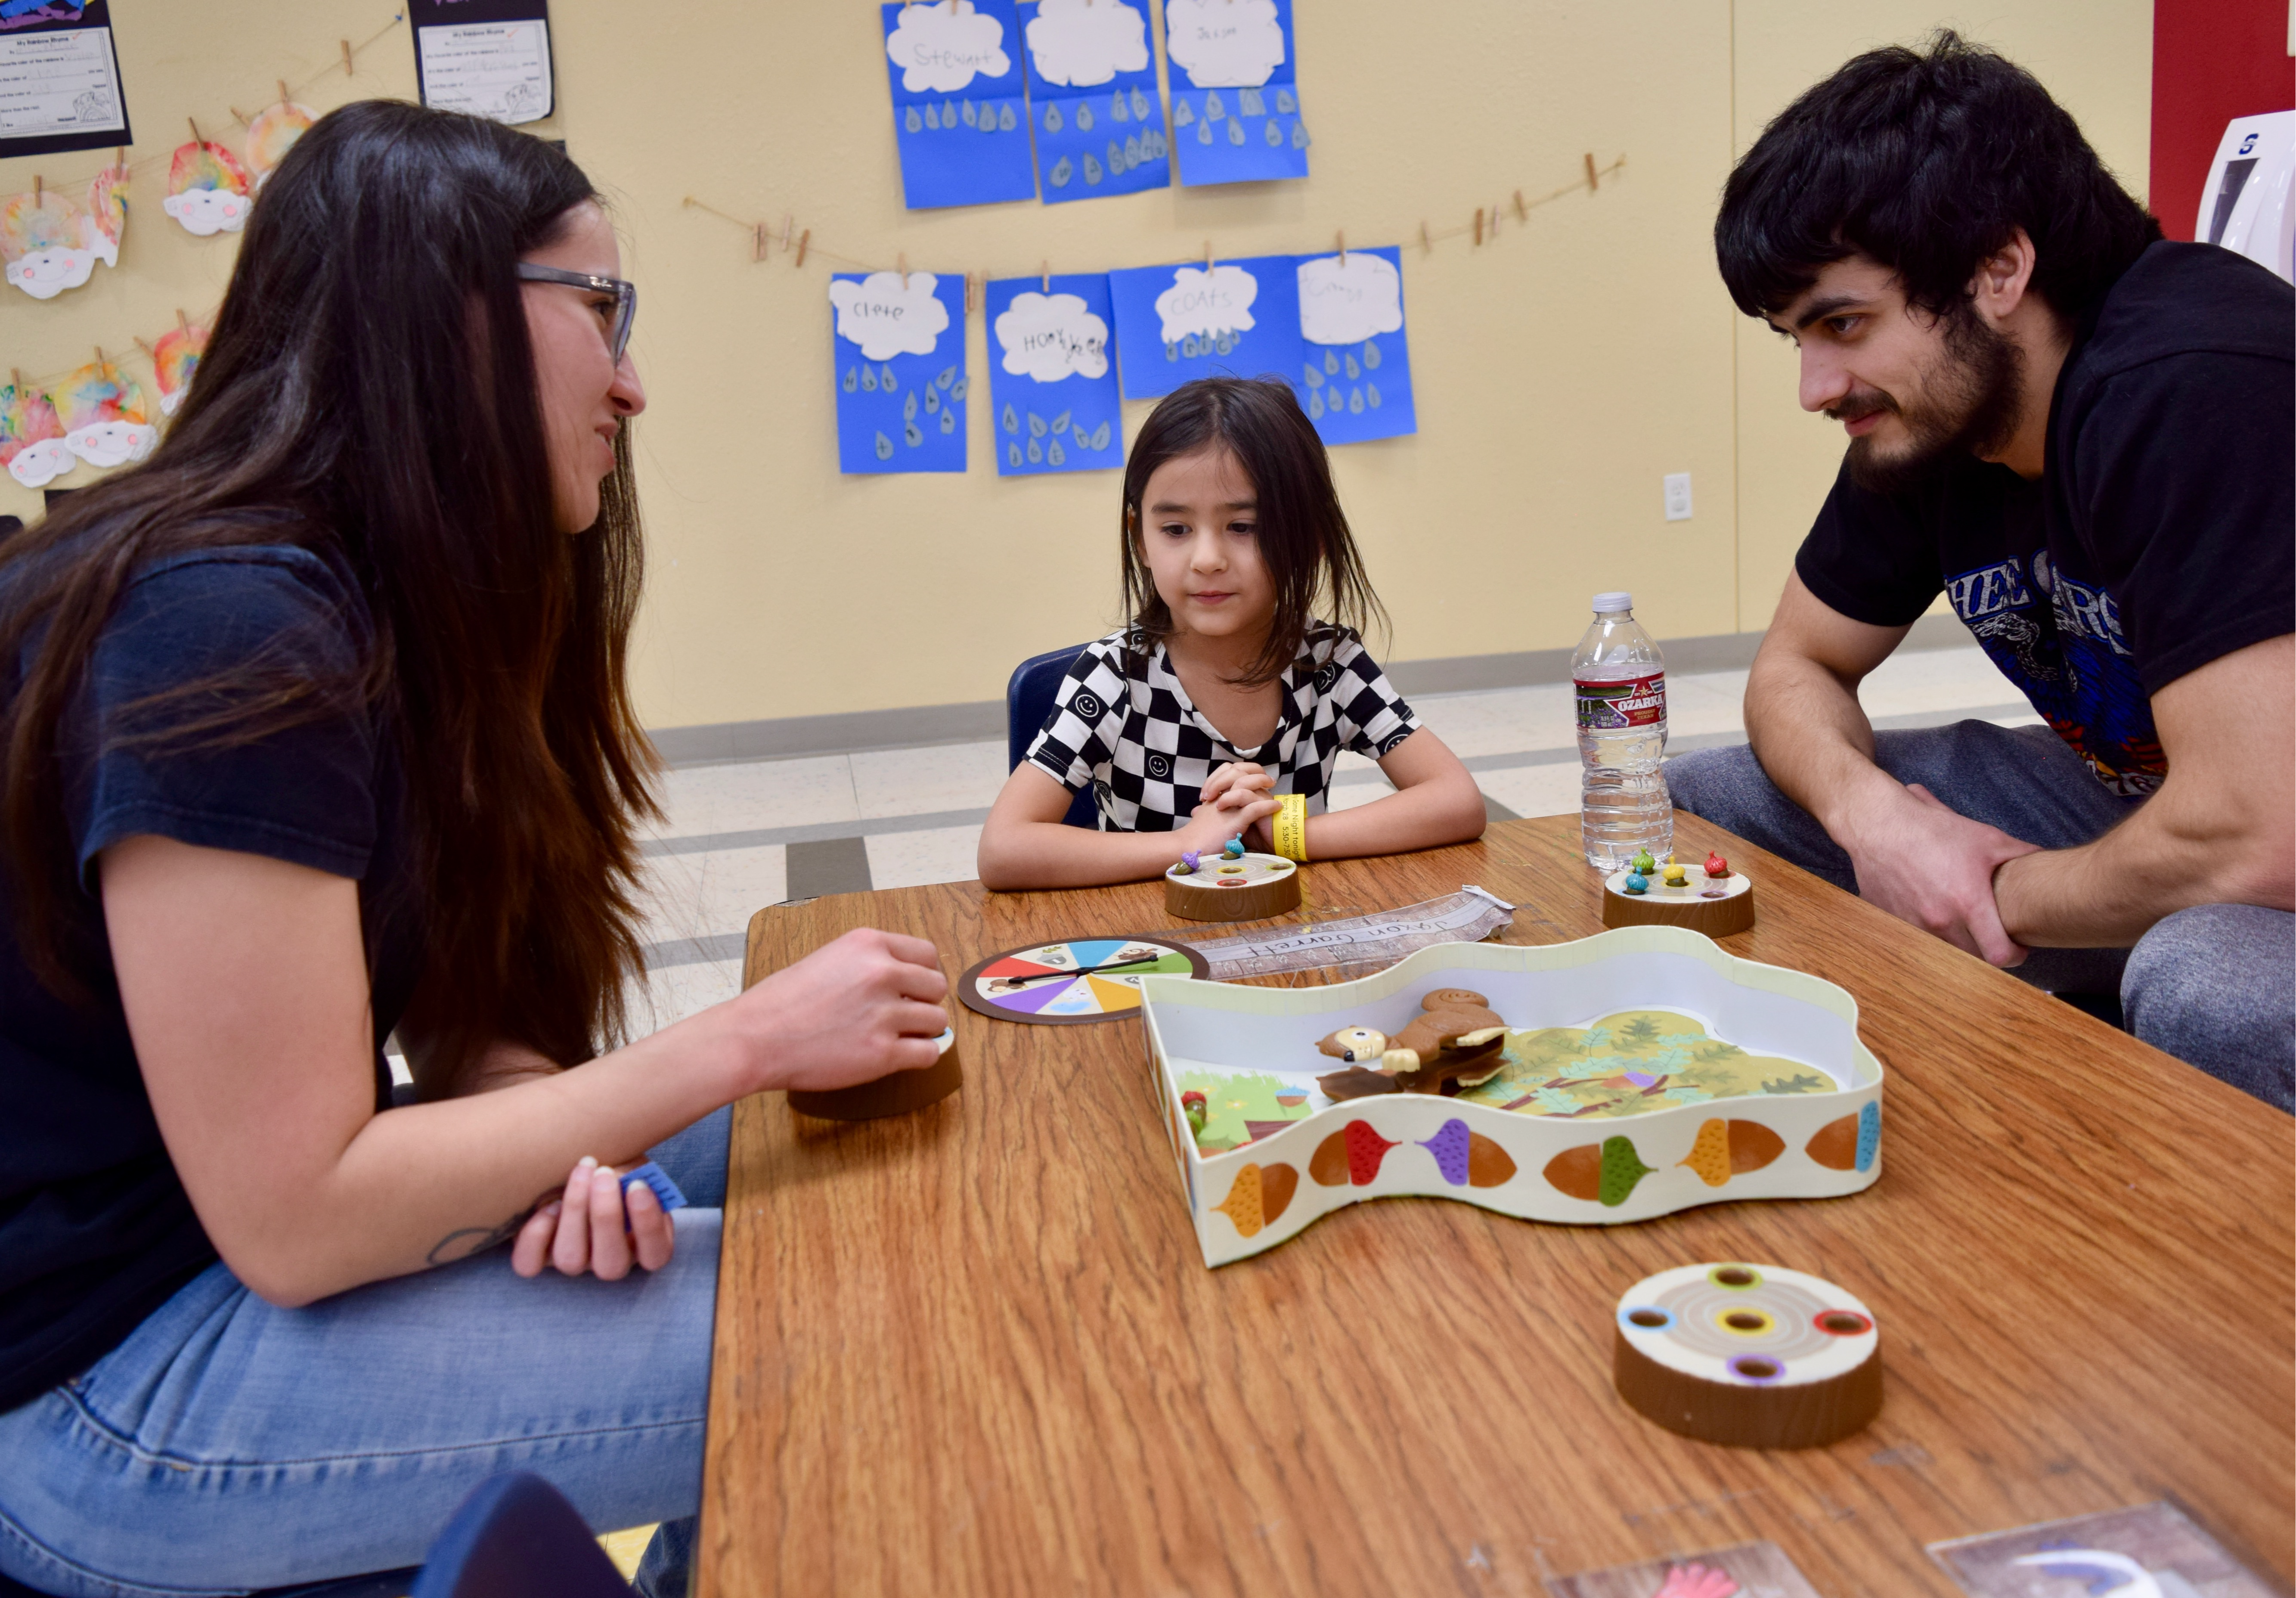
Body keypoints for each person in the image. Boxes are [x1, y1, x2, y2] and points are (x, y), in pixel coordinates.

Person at [0, 103, 949, 1597]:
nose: (631, 387)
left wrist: (553, 1138)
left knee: (849, 1164)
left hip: (220, 1270)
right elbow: (300, 1217)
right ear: (448, 322)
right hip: (106, 1390)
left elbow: (469, 1007)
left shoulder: (379, 603)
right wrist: (742, 1041)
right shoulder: (226, 626)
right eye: (603, 312)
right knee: (864, 1318)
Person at [1667, 34, 2294, 1107]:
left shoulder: (2191, 386)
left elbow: (2258, 839)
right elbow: (1792, 670)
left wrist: (1986, 889)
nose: (1815, 387)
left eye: (1842, 325)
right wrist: (1882, 824)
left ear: (1998, 269)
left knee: (2205, 988)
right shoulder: (1930, 420)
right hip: (2155, 808)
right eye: (1793, 340)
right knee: (1712, 800)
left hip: (2258, 840)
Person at [977, 377, 1485, 889]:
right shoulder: (1114, 678)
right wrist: (1186, 846)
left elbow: (1456, 801)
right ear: (1141, 540)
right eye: (1175, 530)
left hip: (1293, 934)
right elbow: (1004, 849)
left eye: (1243, 527)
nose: (1207, 560)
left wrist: (1286, 835)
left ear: (1307, 540)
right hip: (1152, 946)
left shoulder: (1328, 664)